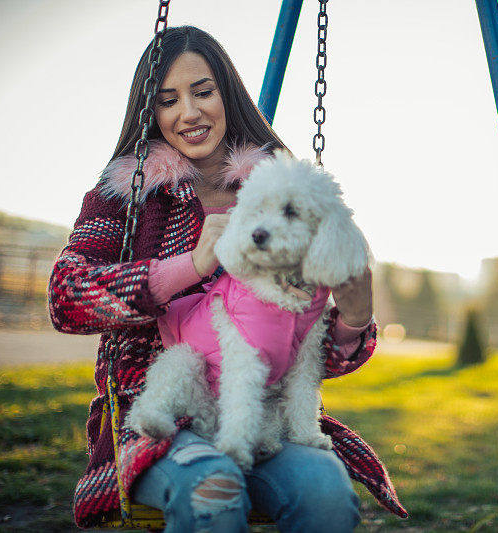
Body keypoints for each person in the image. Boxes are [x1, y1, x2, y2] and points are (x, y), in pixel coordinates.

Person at [48, 26, 405, 532]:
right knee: (213, 487)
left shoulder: (280, 197)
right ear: (150, 111)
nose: (188, 113)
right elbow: (66, 297)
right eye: (168, 100)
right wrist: (189, 266)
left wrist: (354, 318)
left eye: (203, 91)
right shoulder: (124, 196)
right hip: (161, 422)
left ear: (226, 93)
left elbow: (296, 350)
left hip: (264, 416)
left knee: (325, 490)